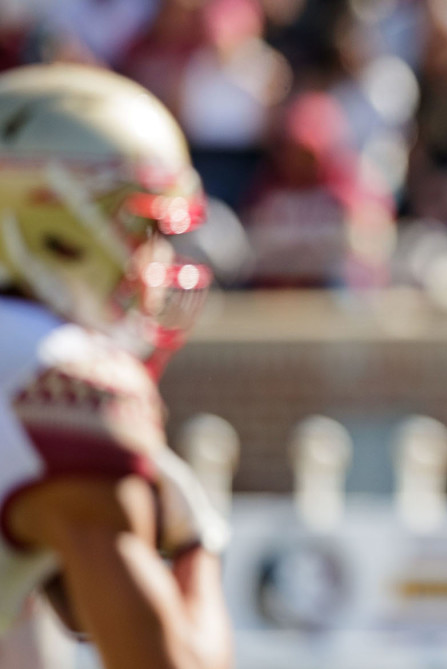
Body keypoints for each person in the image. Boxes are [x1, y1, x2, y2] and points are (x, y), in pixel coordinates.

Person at [0, 64, 232, 669]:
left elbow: (78, 604)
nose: (155, 258)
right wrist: (196, 546)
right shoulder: (61, 378)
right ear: (54, 221)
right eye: (143, 226)